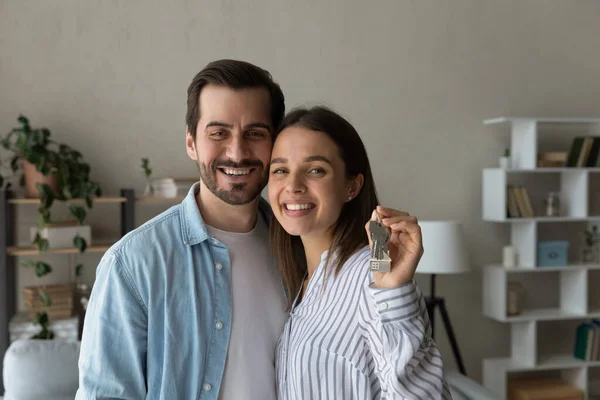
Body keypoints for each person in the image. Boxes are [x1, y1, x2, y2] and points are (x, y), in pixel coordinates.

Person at [76, 59, 289, 399]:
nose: (237, 152)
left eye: (255, 133)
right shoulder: (132, 264)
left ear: (275, 143)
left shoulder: (298, 250)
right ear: (191, 143)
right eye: (218, 133)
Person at [268, 106, 452, 399]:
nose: (293, 186)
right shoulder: (300, 283)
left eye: (315, 170)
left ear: (351, 186)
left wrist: (393, 291)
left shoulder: (373, 277)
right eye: (280, 170)